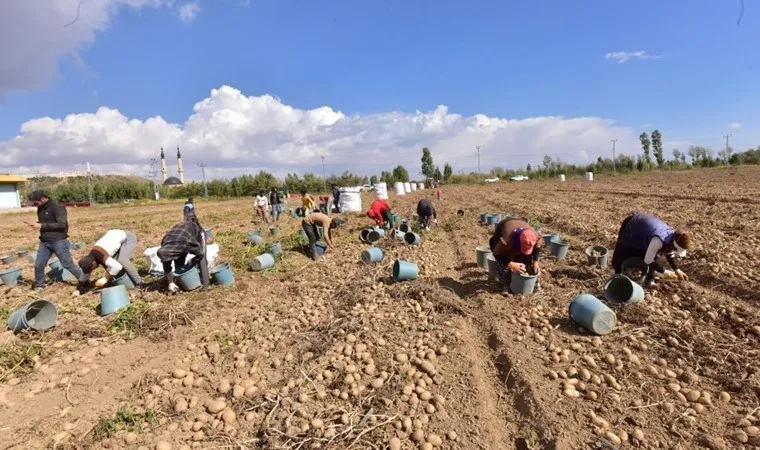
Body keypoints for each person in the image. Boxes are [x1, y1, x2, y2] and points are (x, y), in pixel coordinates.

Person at [25, 190, 86, 294]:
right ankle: (40, 284)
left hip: (59, 241)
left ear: (43, 199)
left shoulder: (58, 207)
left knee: (67, 264)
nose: (35, 205)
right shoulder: (40, 208)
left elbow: (61, 224)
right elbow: (47, 222)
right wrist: (37, 223)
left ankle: (85, 281)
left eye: (36, 202)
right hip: (44, 241)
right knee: (38, 265)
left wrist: (41, 225)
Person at [611, 211, 692, 287]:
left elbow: (670, 253)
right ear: (674, 245)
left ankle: (650, 279)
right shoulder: (658, 240)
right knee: (622, 253)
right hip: (633, 224)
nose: (674, 251)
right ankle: (617, 278)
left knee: (651, 253)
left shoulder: (674, 237)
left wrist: (677, 269)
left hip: (646, 230)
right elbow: (648, 260)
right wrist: (664, 272)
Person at [157, 203, 210, 293]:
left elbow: (200, 254)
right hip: (181, 237)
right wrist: (170, 282)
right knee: (180, 262)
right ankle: (182, 283)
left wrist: (191, 263)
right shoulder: (163, 250)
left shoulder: (187, 244)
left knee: (202, 258)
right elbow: (167, 268)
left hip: (196, 232)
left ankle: (206, 285)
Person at [489, 217, 542, 296]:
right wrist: (511, 264)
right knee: (505, 263)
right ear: (519, 242)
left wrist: (536, 262)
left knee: (527, 261)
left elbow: (537, 248)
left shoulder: (535, 237)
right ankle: (505, 286)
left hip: (521, 222)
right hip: (505, 225)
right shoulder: (506, 240)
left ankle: (534, 285)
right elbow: (497, 254)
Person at [78, 229, 143, 290]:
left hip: (127, 237)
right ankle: (126, 280)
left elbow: (117, 267)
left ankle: (139, 283)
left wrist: (105, 278)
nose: (91, 270)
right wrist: (79, 288)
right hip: (114, 239)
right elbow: (85, 273)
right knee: (110, 268)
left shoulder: (101, 256)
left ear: (93, 263)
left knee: (122, 260)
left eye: (91, 269)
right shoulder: (89, 259)